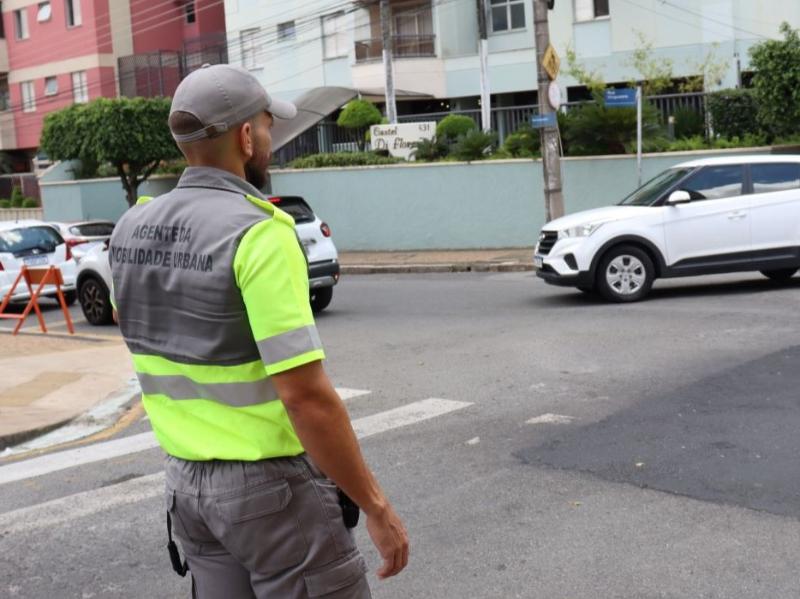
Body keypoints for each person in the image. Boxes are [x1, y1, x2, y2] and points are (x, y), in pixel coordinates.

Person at [109, 64, 409, 598]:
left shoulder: (131, 228)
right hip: (272, 497)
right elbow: (306, 398)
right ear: (246, 137)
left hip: (186, 488)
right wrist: (374, 504)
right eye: (268, 126)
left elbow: (131, 322)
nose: (271, 139)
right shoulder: (259, 234)